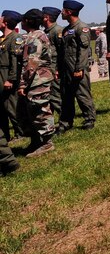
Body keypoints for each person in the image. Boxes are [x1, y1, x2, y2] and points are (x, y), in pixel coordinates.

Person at [18, 9, 56, 158]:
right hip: (35, 79)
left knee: (40, 110)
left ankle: (47, 142)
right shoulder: (33, 36)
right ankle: (36, 141)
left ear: (28, 21)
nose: (21, 22)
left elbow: (31, 63)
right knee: (31, 111)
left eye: (23, 19)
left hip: (38, 79)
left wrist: (23, 84)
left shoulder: (35, 38)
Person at [57, 0, 96, 133]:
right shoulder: (66, 30)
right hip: (66, 69)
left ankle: (89, 119)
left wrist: (79, 69)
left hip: (77, 67)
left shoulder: (82, 28)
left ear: (69, 12)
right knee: (66, 96)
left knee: (82, 94)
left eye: (63, 10)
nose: (61, 12)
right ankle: (66, 122)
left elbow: (83, 50)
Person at [0, 10, 24, 142]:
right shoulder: (2, 39)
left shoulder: (16, 38)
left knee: (11, 107)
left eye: (0, 18)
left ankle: (20, 133)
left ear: (6, 22)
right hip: (1, 75)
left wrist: (11, 79)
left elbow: (15, 61)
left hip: (8, 77)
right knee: (2, 108)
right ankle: (5, 136)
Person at [42, 6, 63, 117]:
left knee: (56, 96)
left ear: (47, 17)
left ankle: (65, 119)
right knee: (49, 97)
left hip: (54, 69)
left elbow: (62, 52)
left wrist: (58, 69)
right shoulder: (46, 32)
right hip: (48, 69)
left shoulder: (57, 31)